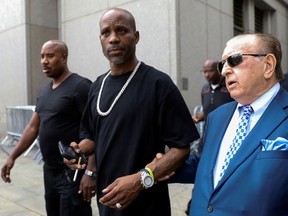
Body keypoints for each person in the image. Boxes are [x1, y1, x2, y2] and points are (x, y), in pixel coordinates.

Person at [67, 7, 200, 216]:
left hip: (148, 206)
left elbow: (181, 149)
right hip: (108, 203)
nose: (113, 39)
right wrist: (79, 152)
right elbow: (92, 135)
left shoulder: (158, 84)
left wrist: (140, 179)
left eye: (121, 31)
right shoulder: (97, 86)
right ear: (100, 39)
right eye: (106, 33)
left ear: (135, 37)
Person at [155, 33, 288, 216]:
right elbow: (207, 163)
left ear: (268, 65)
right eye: (222, 64)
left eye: (234, 60)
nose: (224, 70)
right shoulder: (217, 117)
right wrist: (169, 167)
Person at [1, 40, 93, 216]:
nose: (44, 60)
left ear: (64, 57)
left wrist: (91, 172)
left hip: (72, 173)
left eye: (50, 56)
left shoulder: (81, 86)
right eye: (42, 56)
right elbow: (32, 128)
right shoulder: (44, 92)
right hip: (49, 171)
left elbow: (95, 131)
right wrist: (12, 156)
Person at [192, 59, 233, 124]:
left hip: (227, 129)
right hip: (209, 130)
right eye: (204, 72)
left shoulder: (230, 86)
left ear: (219, 70)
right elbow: (207, 109)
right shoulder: (205, 89)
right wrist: (198, 117)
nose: (207, 75)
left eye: (210, 71)